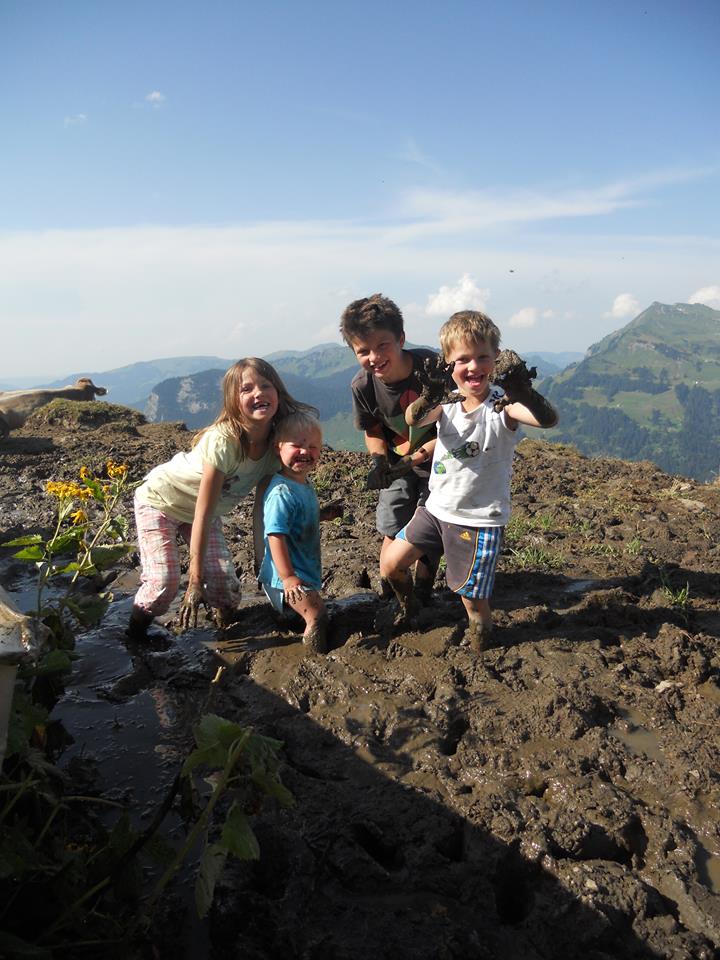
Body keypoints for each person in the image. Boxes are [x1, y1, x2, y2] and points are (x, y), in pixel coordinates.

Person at [380, 310, 559, 653]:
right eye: (463, 359)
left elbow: (546, 419)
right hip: (435, 510)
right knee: (390, 565)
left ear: (495, 360)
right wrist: (429, 397)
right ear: (447, 364)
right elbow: (414, 418)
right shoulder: (445, 402)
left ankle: (482, 643)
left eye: (482, 357)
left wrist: (526, 394)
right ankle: (410, 606)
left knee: (473, 603)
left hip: (476, 521)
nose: (473, 366)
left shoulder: (504, 406)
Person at [128, 358, 317, 639]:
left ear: (278, 392)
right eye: (247, 389)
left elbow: (261, 510)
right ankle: (133, 635)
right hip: (160, 500)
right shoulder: (224, 442)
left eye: (266, 385)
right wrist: (194, 581)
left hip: (202, 513)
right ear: (233, 400)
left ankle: (223, 635)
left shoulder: (275, 448)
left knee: (225, 591)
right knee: (164, 585)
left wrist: (260, 556)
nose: (258, 393)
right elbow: (203, 514)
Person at [339, 293, 443, 604]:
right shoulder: (363, 386)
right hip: (396, 463)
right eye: (363, 351)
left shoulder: (431, 367)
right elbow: (373, 431)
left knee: (430, 523)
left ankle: (423, 592)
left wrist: (416, 457)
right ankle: (393, 590)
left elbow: (457, 426)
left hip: (440, 461)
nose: (374, 357)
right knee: (392, 522)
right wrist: (378, 463)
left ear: (401, 338)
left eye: (382, 346)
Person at [258, 412, 342, 655]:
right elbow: (275, 535)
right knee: (317, 615)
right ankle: (313, 657)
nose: (306, 452)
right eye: (297, 445)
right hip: (286, 578)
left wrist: (323, 515)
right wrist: (288, 578)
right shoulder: (281, 493)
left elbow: (297, 519)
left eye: (313, 447)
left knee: (315, 611)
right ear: (278, 448)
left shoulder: (302, 484)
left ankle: (289, 619)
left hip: (300, 571)